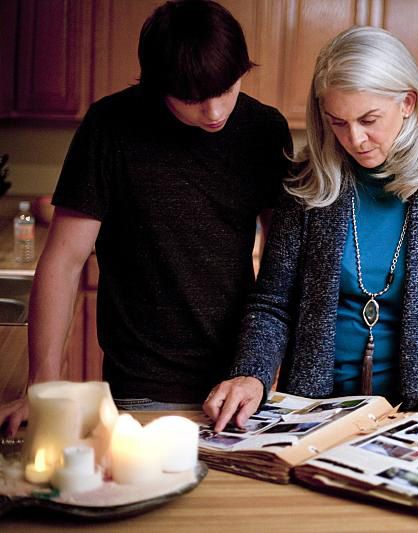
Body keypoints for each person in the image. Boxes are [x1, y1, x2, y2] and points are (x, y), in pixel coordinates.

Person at [203, 26, 418, 446]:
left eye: (369, 120)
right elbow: (273, 304)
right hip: (314, 414)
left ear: (407, 103)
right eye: (338, 122)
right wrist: (251, 373)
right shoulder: (306, 188)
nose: (354, 139)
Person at [0, 0, 292, 435]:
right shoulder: (111, 126)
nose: (213, 113)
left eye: (225, 89)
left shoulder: (264, 130)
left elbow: (280, 265)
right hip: (139, 385)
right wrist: (42, 386)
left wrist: (264, 366)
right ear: (157, 85)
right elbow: (64, 260)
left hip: (239, 380)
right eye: (192, 99)